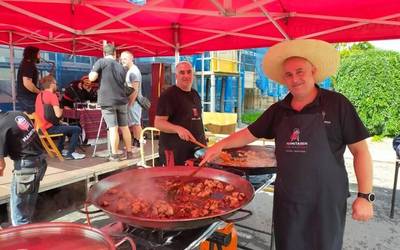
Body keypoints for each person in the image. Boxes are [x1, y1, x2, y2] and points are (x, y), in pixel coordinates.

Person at [200, 39, 374, 250]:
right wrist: (218, 146)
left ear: (313, 71)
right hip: (289, 199)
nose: (295, 79)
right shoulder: (278, 110)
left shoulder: (337, 104)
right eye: (289, 75)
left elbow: (360, 152)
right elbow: (248, 133)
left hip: (326, 201)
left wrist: (365, 196)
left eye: (300, 72)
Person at [0, 109, 47, 226]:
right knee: (29, 199)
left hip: (26, 165)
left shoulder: (0, 126)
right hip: (40, 160)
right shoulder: (17, 113)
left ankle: (20, 231)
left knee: (18, 206)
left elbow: (1, 165)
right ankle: (26, 226)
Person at [155, 61, 206, 165]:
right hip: (175, 152)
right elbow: (158, 123)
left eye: (189, 72)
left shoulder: (195, 94)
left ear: (193, 74)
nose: (186, 75)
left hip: (196, 151)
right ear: (176, 75)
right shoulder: (168, 95)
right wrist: (178, 129)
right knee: (174, 181)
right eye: (182, 72)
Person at [89, 43, 133, 161]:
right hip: (122, 100)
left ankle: (114, 154)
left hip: (107, 101)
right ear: (115, 54)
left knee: (113, 128)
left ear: (104, 53)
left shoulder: (101, 62)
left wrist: (93, 73)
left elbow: (92, 78)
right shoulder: (121, 66)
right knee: (124, 127)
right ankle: (129, 152)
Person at [35, 75, 85, 160]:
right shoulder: (52, 95)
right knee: (77, 129)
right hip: (49, 128)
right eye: (56, 83)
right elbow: (58, 115)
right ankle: (71, 153)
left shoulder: (39, 95)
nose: (57, 86)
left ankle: (60, 149)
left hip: (40, 128)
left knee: (64, 126)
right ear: (51, 84)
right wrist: (61, 108)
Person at [120, 51, 142, 151]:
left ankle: (139, 144)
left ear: (131, 59)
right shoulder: (130, 70)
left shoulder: (133, 71)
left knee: (136, 123)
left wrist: (131, 103)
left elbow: (135, 89)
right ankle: (136, 143)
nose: (122, 61)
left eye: (125, 59)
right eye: (121, 58)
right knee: (134, 123)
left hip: (135, 102)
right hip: (133, 102)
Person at [16, 46, 41, 113]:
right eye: (38, 54)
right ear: (33, 54)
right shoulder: (28, 64)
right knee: (34, 118)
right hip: (27, 97)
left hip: (26, 97)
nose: (40, 56)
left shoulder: (26, 63)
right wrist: (39, 92)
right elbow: (27, 83)